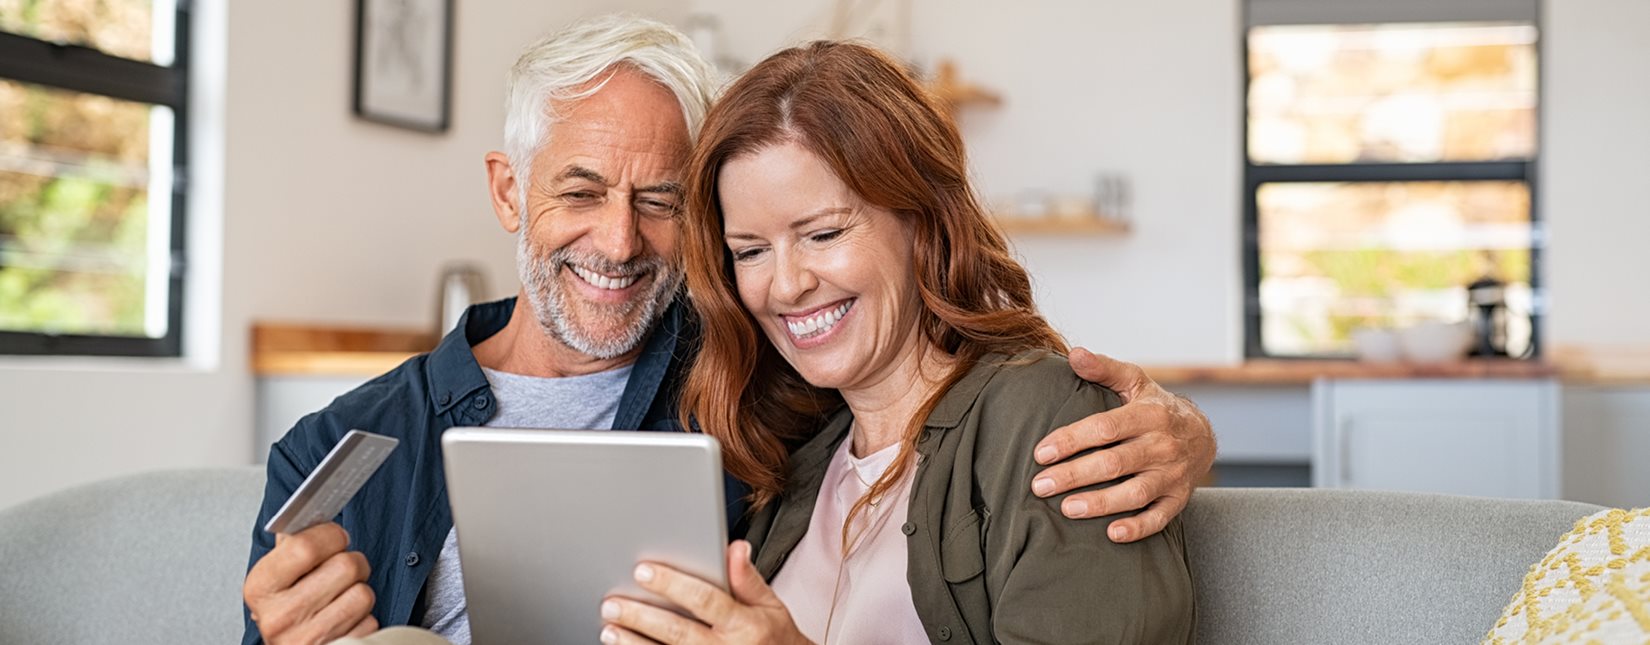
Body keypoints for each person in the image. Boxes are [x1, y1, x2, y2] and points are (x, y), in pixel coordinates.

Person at [241, 15, 1215, 645]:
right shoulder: (335, 451)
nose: (618, 241)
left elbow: (980, 414)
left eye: (659, 200)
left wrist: (1182, 432)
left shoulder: (757, 397)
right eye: (750, 248)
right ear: (509, 190)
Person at [597, 41, 1195, 645]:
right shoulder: (801, 455)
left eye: (824, 233)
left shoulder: (1047, 419)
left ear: (922, 220)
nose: (785, 285)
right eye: (751, 251)